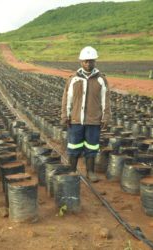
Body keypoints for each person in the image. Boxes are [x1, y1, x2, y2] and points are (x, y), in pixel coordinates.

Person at [61, 46, 111, 182]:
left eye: (91, 61)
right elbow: (67, 99)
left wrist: (106, 116)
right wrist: (65, 115)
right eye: (85, 61)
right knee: (74, 146)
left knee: (92, 147)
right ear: (81, 62)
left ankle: (90, 172)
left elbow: (105, 99)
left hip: (93, 121)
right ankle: (72, 170)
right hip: (76, 120)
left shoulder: (101, 79)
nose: (88, 64)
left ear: (95, 62)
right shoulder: (73, 79)